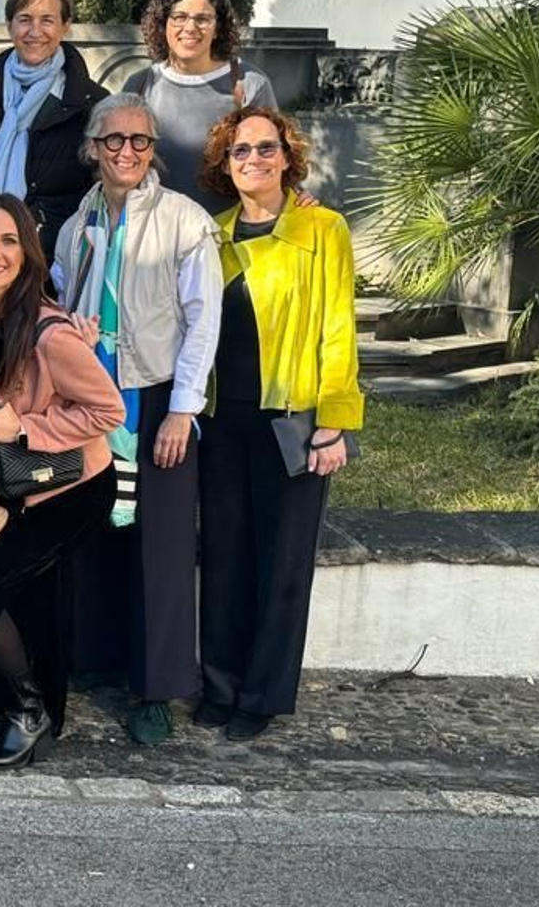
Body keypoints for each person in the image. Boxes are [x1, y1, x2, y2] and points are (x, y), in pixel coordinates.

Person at [55, 93, 223, 745]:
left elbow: (203, 320)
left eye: (140, 141)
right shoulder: (77, 223)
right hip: (91, 399)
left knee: (162, 544)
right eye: (114, 140)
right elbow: (66, 302)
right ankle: (100, 659)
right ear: (93, 148)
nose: (127, 151)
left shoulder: (182, 220)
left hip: (154, 398)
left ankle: (157, 686)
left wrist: (183, 409)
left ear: (153, 151)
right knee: (97, 527)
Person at [194, 105, 363, 741]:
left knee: (282, 563)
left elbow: (339, 329)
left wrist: (334, 422)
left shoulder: (324, 229)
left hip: (292, 417)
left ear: (288, 158)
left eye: (266, 149)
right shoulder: (212, 234)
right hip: (223, 416)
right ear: (225, 164)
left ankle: (261, 695)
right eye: (241, 151)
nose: (254, 160)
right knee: (227, 556)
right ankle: (221, 684)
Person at [0, 192, 124, 769]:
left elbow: (108, 411)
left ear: (27, 253)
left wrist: (25, 426)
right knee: (6, 586)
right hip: (9, 482)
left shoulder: (49, 332)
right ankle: (11, 706)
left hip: (70, 485)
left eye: (8, 240)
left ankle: (29, 711)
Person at [0, 0, 110, 258]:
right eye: (24, 19)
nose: (35, 31)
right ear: (9, 25)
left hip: (51, 257)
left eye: (47, 20)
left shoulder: (92, 104)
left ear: (65, 26)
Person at [123, 0, 278, 212]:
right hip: (156, 233)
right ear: (164, 23)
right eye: (179, 17)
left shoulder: (248, 85)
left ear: (218, 28)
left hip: (226, 237)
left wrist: (296, 195)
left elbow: (273, 159)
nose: (190, 27)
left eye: (203, 19)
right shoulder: (140, 86)